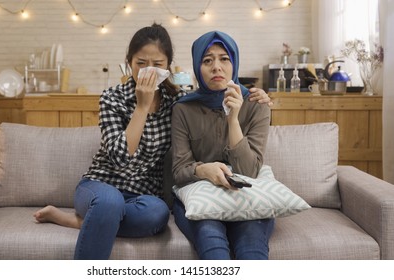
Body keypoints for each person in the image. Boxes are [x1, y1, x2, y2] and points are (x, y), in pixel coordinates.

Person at [33, 24, 271, 260]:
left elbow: (211, 95)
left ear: (168, 67)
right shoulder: (112, 98)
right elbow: (119, 158)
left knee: (157, 215)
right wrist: (142, 106)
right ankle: (98, 220)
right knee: (109, 203)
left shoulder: (176, 102)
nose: (149, 71)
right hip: (102, 184)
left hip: (144, 197)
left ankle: (84, 221)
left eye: (157, 65)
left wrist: (255, 94)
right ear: (129, 63)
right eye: (141, 64)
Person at [171, 30, 274, 260]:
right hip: (199, 198)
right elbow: (179, 171)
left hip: (247, 199)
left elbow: (249, 172)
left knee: (252, 251)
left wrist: (233, 118)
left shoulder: (257, 104)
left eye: (224, 58)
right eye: (207, 60)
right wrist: (202, 170)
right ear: (198, 67)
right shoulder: (183, 109)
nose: (216, 66)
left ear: (234, 63)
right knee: (213, 247)